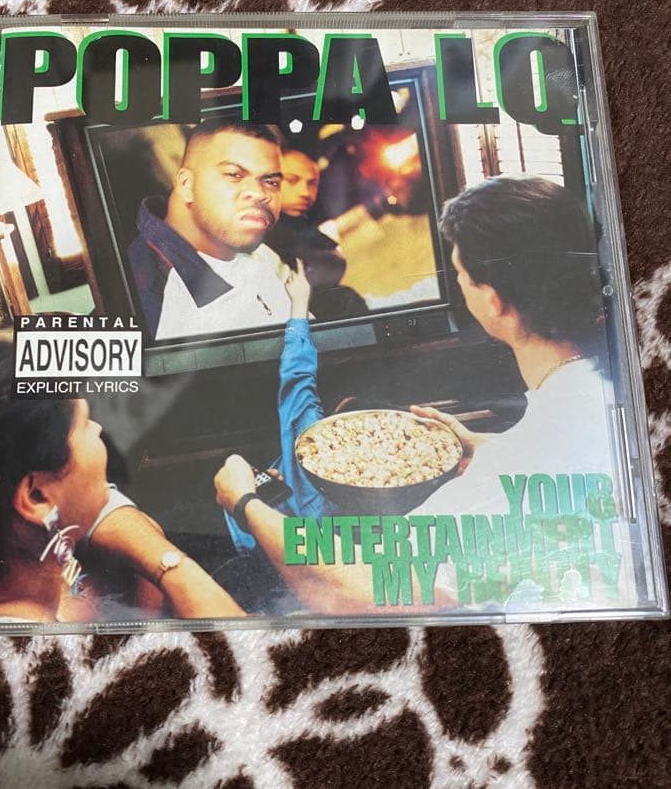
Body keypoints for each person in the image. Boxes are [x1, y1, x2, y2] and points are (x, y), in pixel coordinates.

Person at [213, 176, 615, 614]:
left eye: (460, 276)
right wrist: (486, 445)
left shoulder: (498, 478)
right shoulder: (597, 388)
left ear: (493, 300)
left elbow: (352, 590)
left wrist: (246, 502)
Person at [0, 369, 243, 624]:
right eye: (83, 424)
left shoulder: (25, 548)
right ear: (36, 496)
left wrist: (163, 566)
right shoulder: (43, 642)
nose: (97, 428)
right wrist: (246, 505)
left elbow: (103, 502)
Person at [127, 119, 291, 340]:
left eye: (271, 182)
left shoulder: (255, 252)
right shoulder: (145, 299)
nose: (260, 193)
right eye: (234, 174)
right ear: (186, 184)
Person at [265, 148, 368, 319]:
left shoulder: (301, 224)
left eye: (312, 184)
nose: (305, 192)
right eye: (292, 180)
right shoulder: (262, 231)